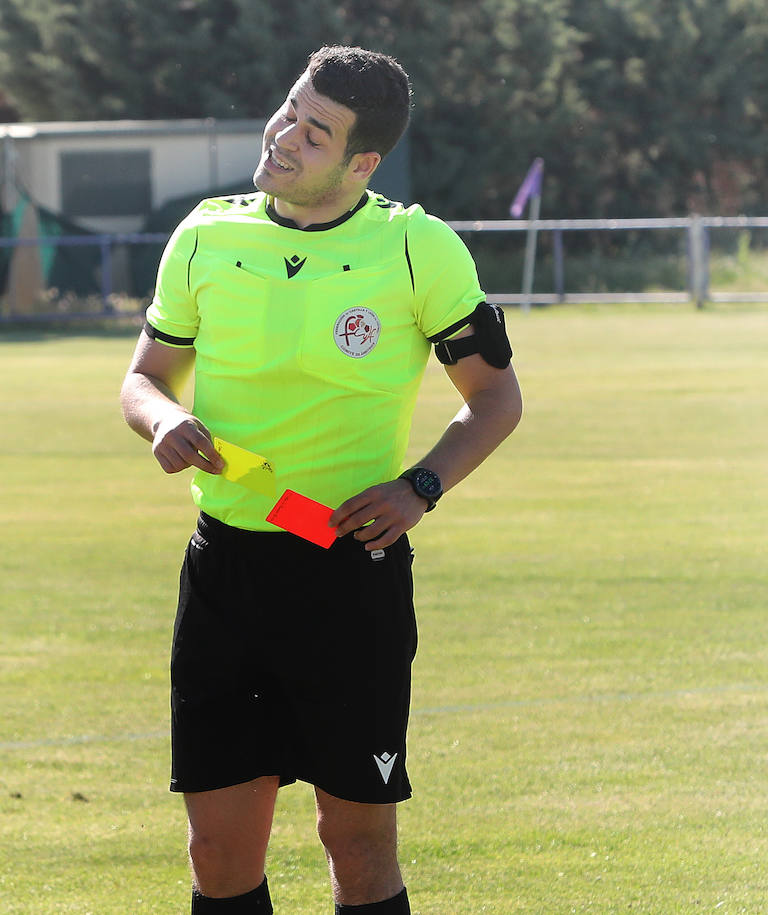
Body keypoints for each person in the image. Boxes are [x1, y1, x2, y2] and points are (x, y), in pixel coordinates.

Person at [119, 46, 522, 915]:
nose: (284, 138)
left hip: (349, 580)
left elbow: (493, 399)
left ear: (362, 162)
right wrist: (162, 419)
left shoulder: (418, 250)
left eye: (315, 131)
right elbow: (142, 376)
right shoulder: (205, 237)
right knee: (219, 849)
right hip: (224, 572)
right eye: (288, 112)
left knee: (358, 841)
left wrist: (420, 487)